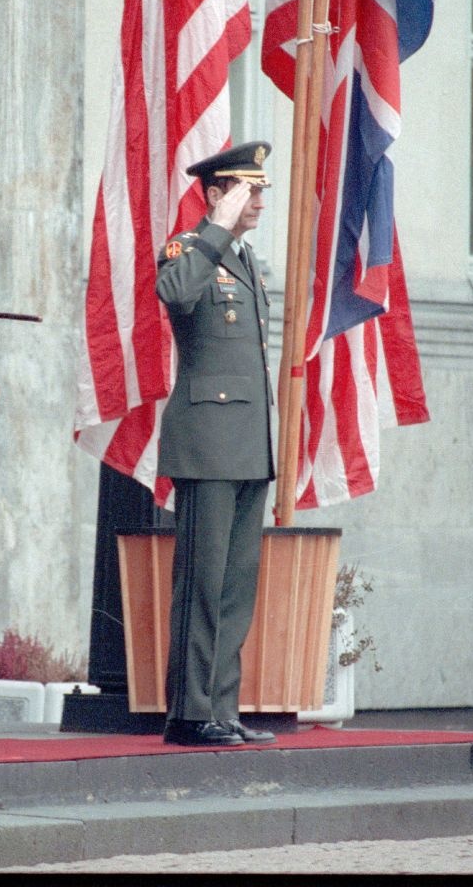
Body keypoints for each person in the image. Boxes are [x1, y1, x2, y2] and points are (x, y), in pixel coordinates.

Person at [155, 141, 279, 748]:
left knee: (235, 584)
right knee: (201, 583)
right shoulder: (189, 248)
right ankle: (188, 711)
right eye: (245, 190)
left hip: (249, 442)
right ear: (214, 194)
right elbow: (176, 293)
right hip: (207, 442)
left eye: (259, 190)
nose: (258, 199)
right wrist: (216, 230)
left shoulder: (248, 260)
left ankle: (221, 709)